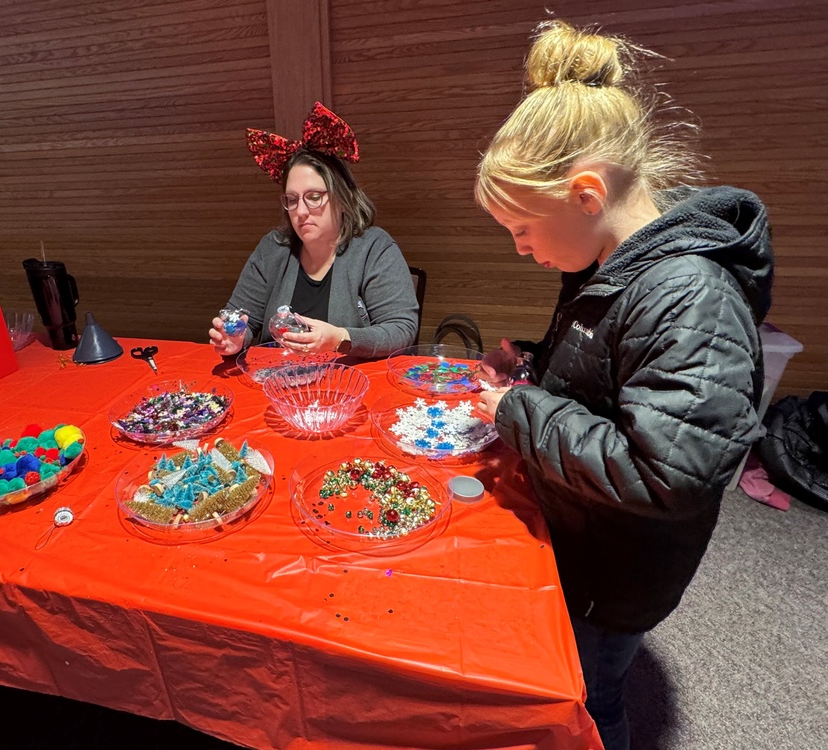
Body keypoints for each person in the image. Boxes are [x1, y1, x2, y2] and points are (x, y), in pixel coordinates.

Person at [473, 20, 774, 750]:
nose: (520, 249)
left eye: (521, 228)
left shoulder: (692, 296)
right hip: (586, 532)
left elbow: (664, 474)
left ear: (584, 193)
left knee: (587, 695)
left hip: (618, 571)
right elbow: (608, 375)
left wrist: (520, 407)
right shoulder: (608, 263)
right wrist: (539, 365)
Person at [208, 102, 419, 359]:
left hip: (346, 383)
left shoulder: (374, 248)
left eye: (314, 197)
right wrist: (235, 338)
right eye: (292, 199)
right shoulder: (272, 248)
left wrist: (340, 338)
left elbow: (401, 330)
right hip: (279, 379)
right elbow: (244, 320)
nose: (301, 211)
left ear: (342, 199)